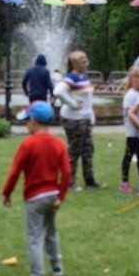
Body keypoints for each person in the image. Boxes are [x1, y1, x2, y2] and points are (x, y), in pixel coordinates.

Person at [1, 101, 70, 276]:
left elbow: (15, 172)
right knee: (51, 232)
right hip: (52, 196)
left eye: (27, 121)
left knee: (34, 239)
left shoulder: (28, 144)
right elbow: (66, 172)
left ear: (33, 121)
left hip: (35, 198)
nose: (26, 125)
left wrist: (6, 193)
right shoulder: (58, 143)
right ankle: (57, 267)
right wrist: (60, 197)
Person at [54, 50, 106, 191]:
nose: (86, 63)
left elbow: (87, 99)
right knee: (74, 151)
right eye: (83, 61)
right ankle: (69, 182)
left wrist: (91, 115)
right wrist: (72, 103)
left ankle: (90, 180)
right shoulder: (72, 77)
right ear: (75, 64)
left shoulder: (83, 77)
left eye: (86, 60)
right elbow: (58, 91)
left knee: (88, 150)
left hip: (84, 118)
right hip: (73, 119)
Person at [118, 67, 139, 193]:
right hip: (132, 132)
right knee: (129, 155)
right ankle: (124, 182)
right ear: (134, 79)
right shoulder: (130, 95)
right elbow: (130, 114)